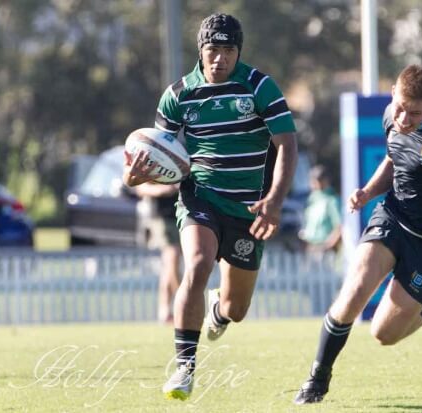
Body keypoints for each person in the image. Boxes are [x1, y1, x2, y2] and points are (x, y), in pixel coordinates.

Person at [122, 13, 298, 401]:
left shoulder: (259, 87)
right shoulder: (179, 94)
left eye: (228, 50)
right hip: (199, 195)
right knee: (198, 263)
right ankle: (184, 368)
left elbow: (287, 144)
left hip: (247, 208)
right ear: (200, 52)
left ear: (239, 52)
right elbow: (157, 158)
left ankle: (218, 310)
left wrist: (276, 200)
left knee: (237, 308)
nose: (219, 59)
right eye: (212, 50)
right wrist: (135, 178)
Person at [293, 64, 422, 404]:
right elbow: (393, 158)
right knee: (354, 290)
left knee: (384, 334)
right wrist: (368, 191)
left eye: (415, 113)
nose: (404, 119)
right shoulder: (390, 116)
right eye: (400, 107)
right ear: (394, 90)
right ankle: (317, 377)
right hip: (394, 218)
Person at [135, 183, 182, 324]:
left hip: (185, 214)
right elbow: (141, 188)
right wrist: (165, 190)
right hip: (163, 216)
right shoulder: (156, 162)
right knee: (171, 259)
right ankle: (183, 306)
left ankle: (165, 312)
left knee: (168, 268)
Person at [298, 165, 342, 254]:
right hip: (310, 247)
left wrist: (328, 246)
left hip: (325, 249)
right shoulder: (312, 200)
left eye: (317, 180)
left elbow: (340, 227)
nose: (314, 184)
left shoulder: (332, 200)